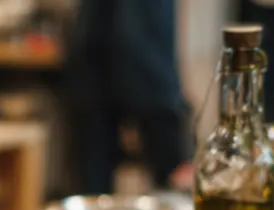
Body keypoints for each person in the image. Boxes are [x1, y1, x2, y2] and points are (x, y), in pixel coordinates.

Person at [64, 0, 194, 195]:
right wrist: (173, 147)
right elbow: (143, 51)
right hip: (107, 80)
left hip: (93, 81)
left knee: (94, 185)